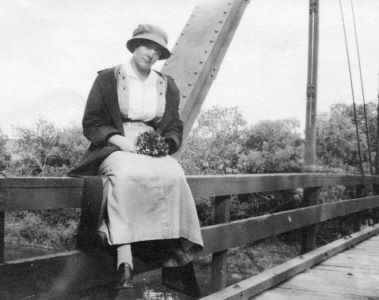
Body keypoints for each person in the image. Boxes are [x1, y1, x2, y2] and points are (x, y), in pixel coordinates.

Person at [69, 24, 203, 297]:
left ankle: (175, 257)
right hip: (115, 145)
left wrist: (164, 144)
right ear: (134, 46)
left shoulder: (166, 85)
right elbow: (92, 123)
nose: (151, 53)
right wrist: (120, 141)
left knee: (174, 175)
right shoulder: (108, 79)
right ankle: (125, 259)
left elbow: (174, 126)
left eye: (158, 50)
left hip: (152, 146)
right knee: (127, 174)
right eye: (147, 46)